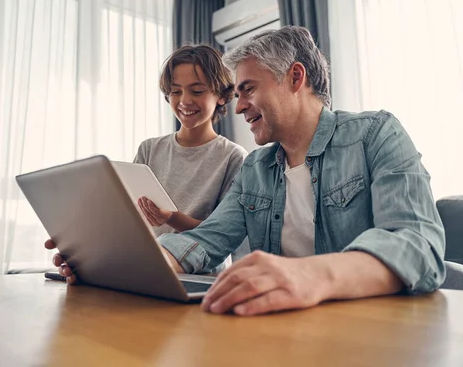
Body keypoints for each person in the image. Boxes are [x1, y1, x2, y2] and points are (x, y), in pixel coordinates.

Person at [48, 26, 445, 316]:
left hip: (374, 333)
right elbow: (203, 241)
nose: (238, 107)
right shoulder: (257, 168)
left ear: (295, 77)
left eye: (249, 89)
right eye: (237, 94)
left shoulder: (376, 134)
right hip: (281, 332)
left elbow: (419, 246)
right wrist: (112, 262)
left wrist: (311, 276)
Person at [133, 45, 247, 235]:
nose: (184, 101)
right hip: (147, 262)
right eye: (176, 92)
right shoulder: (149, 149)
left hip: (200, 265)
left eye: (197, 91)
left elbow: (223, 233)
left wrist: (171, 218)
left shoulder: (233, 157)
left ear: (220, 95)